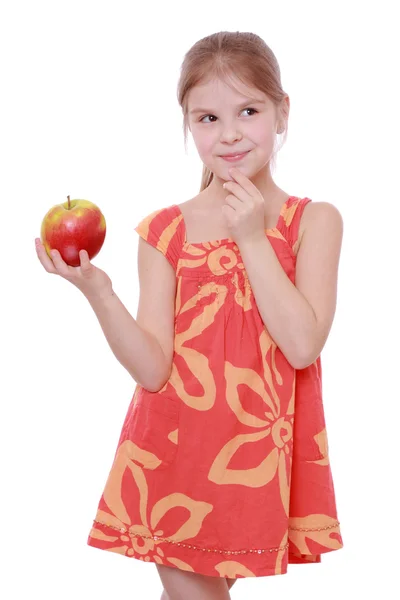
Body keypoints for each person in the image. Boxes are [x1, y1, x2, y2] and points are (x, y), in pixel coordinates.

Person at [35, 30, 344, 600]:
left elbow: (302, 345)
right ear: (186, 123)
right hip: (174, 455)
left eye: (248, 111)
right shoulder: (163, 231)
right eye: (206, 118)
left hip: (252, 460)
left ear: (282, 113)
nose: (228, 134)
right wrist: (99, 293)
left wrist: (251, 237)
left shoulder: (313, 221)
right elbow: (153, 370)